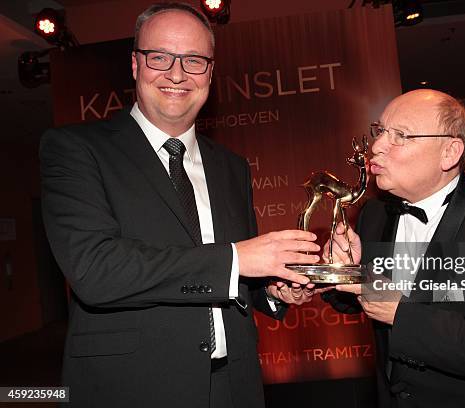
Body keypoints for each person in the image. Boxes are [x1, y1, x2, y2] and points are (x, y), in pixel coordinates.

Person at [40, 3, 318, 408]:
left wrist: (275, 290)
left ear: (210, 72)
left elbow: (235, 278)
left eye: (193, 60)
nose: (176, 73)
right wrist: (237, 260)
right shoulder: (74, 149)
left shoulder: (231, 167)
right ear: (135, 65)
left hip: (235, 385)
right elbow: (96, 271)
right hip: (132, 390)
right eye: (160, 57)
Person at [323, 89, 465, 407]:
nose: (376, 147)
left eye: (400, 135)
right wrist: (345, 272)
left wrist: (401, 314)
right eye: (380, 131)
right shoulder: (375, 213)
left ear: (450, 152)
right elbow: (363, 299)